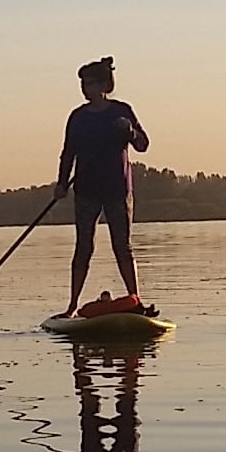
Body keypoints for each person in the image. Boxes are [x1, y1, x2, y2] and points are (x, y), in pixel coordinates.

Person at [54, 58, 150, 317]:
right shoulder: (78, 117)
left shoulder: (121, 111)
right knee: (83, 247)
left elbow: (142, 145)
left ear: (104, 85)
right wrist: (62, 183)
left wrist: (129, 132)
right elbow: (68, 153)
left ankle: (135, 301)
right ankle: (72, 306)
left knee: (123, 246)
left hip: (117, 190)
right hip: (86, 191)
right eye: (82, 84)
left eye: (89, 83)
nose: (84, 88)